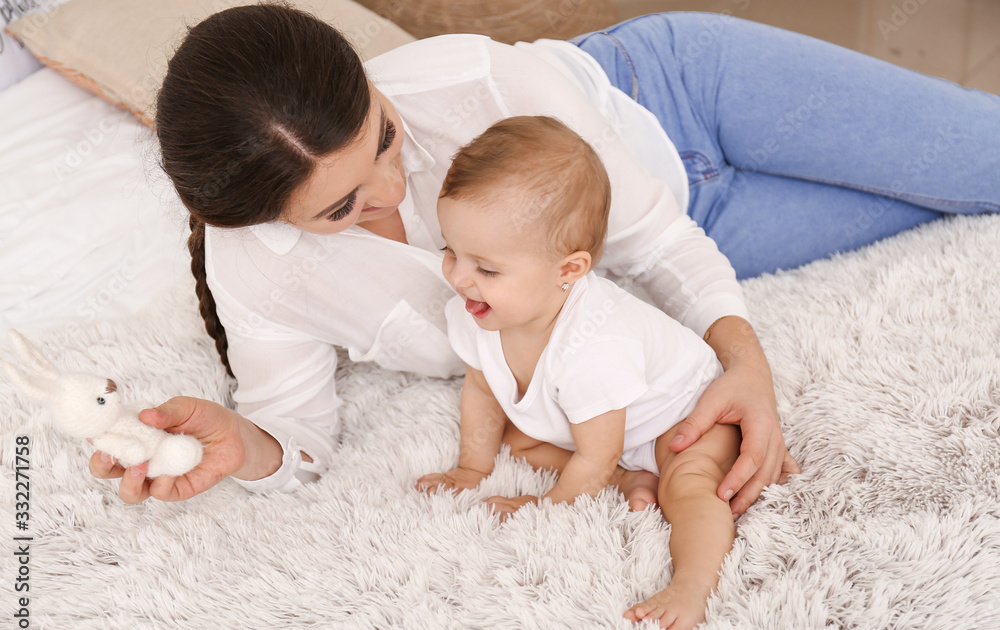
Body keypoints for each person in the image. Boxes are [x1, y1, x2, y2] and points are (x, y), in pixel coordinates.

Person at [90, 5, 999, 511]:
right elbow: (298, 439)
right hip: (709, 226)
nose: (394, 180)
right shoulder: (259, 271)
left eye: (385, 136)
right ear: (249, 217)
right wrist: (244, 445)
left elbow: (660, 242)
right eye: (342, 205)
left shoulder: (473, 81)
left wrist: (746, 362)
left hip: (681, 91)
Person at [416, 115, 741, 630]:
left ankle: (693, 585)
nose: (457, 277)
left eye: (486, 268)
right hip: (608, 429)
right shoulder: (480, 310)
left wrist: (545, 507)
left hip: (685, 417)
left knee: (689, 486)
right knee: (517, 439)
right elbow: (481, 387)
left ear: (569, 270)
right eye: (450, 251)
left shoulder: (593, 349)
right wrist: (471, 469)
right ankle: (630, 480)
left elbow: (596, 450)